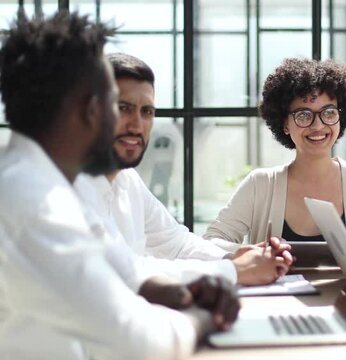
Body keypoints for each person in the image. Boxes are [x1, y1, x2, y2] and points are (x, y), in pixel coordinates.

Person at [0, 12, 238, 359]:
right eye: (116, 104)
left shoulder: (55, 181)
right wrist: (204, 317)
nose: (130, 123)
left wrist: (190, 290)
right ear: (90, 110)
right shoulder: (33, 204)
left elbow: (127, 271)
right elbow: (144, 342)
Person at [75, 52, 292, 286]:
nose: (137, 124)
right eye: (123, 108)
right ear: (92, 112)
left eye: (146, 111)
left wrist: (231, 257)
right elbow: (125, 271)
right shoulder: (72, 189)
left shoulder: (128, 180)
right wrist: (235, 270)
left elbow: (175, 242)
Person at [203, 57, 346, 251]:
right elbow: (211, 242)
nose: (318, 126)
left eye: (328, 113)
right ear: (285, 124)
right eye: (303, 115)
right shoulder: (260, 184)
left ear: (341, 116)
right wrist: (252, 253)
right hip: (276, 301)